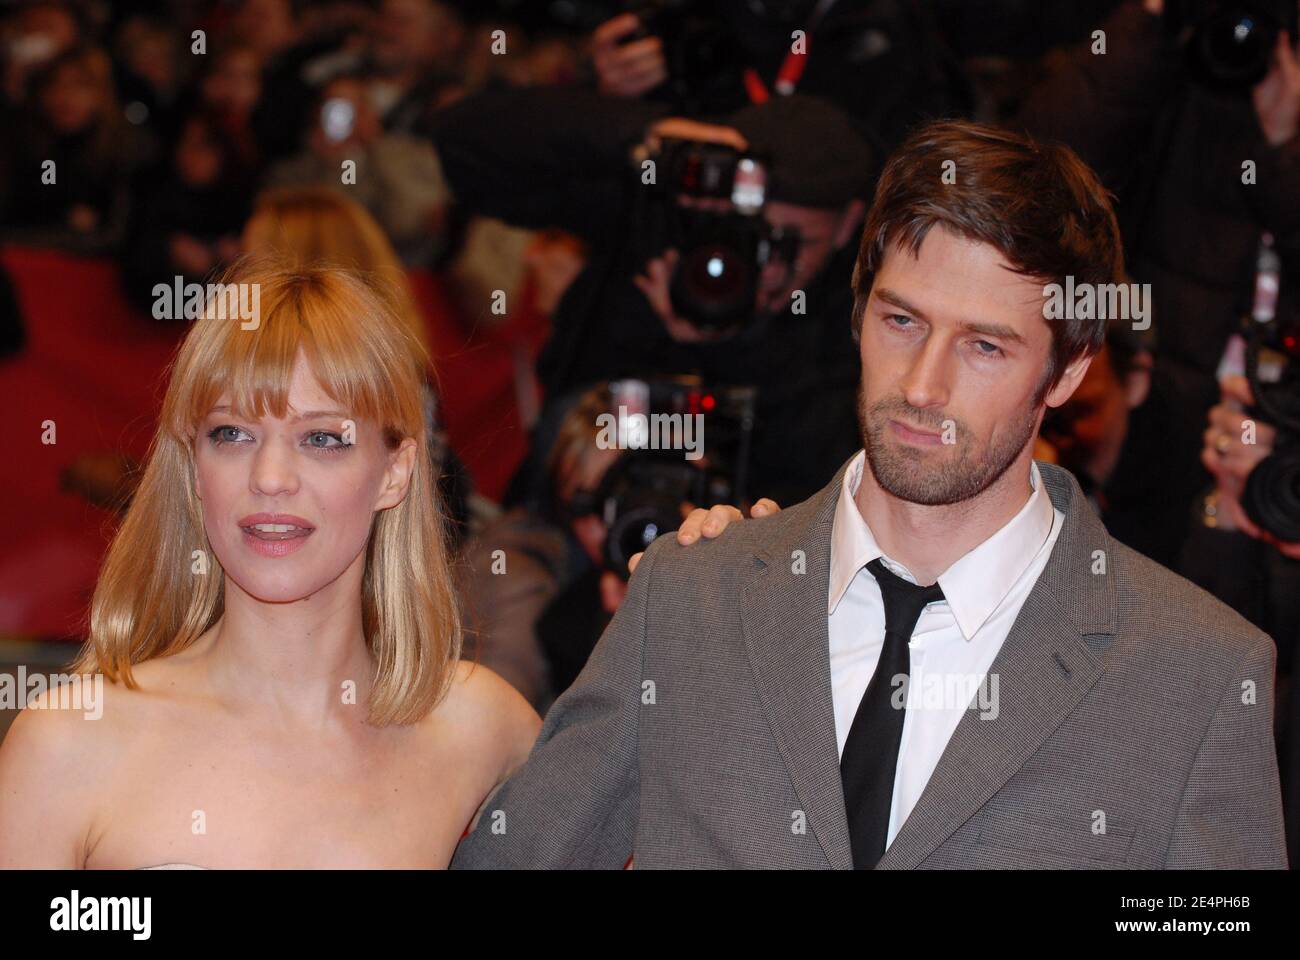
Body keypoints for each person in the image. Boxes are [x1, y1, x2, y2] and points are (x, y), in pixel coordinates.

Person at [451, 120, 1288, 869]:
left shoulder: (1198, 674)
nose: (924, 386)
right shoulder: (689, 596)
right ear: (855, 316)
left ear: (1066, 371)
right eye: (902, 322)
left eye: (986, 347)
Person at [0, 256, 539, 868]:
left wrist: (674, 579)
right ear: (194, 467)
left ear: (395, 472)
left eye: (322, 439)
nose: (271, 478)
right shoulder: (67, 744)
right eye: (231, 434)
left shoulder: (479, 729)